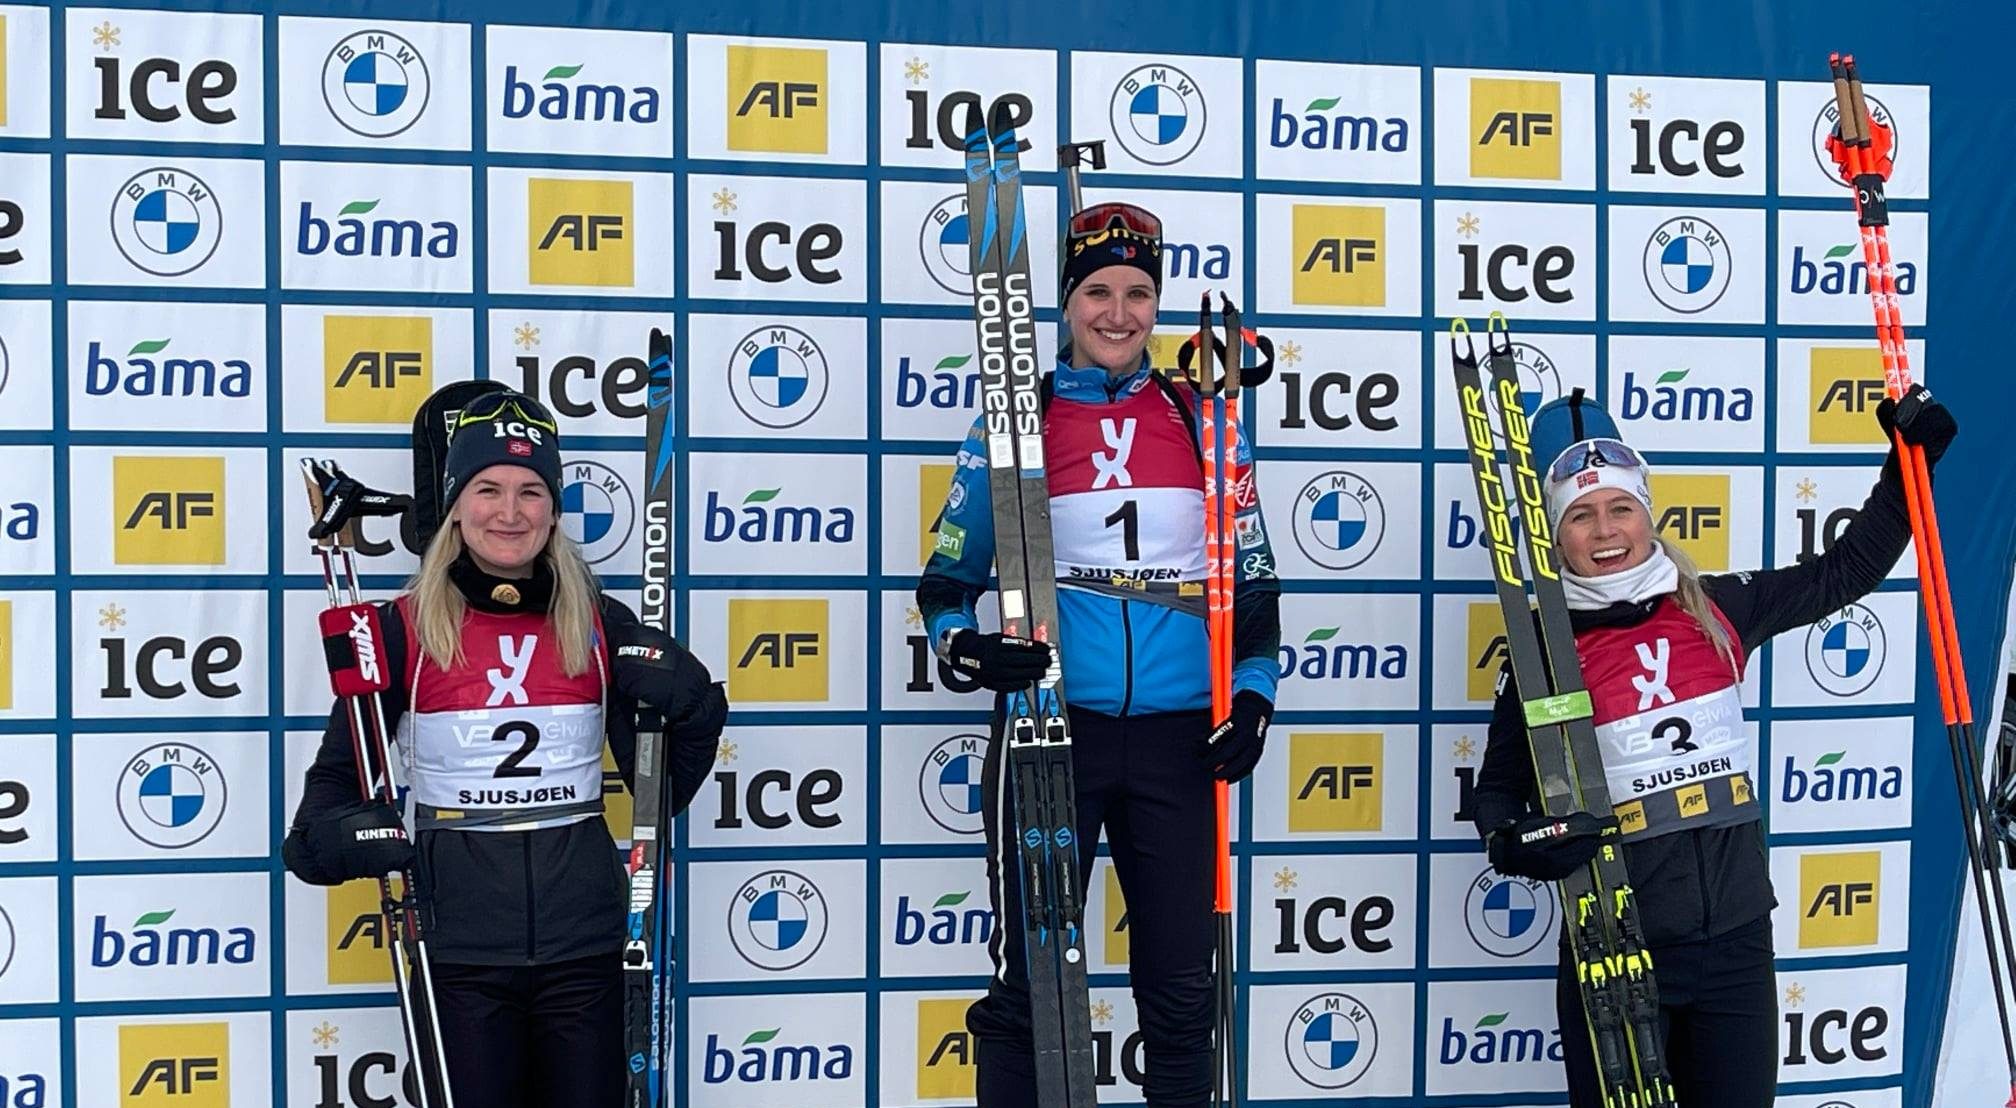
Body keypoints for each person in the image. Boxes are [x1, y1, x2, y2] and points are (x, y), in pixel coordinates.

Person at [1471, 383, 1957, 1107]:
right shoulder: (1546, 650)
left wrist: (1908, 465)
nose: (1605, 531)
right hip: (1617, 949)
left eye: (1620, 508)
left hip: (1735, 944)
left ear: (1646, 512)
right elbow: (1497, 792)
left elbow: (1845, 571)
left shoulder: (1717, 605)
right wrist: (1515, 842)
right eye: (1580, 515)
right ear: (1553, 533)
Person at [917, 201, 1282, 1106]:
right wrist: (966, 647)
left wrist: (1255, 695)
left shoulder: (1205, 423)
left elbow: (1257, 577)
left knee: (1179, 990)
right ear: (1067, 304)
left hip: (1177, 739)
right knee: (1029, 984)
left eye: (1137, 293)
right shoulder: (1016, 424)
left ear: (1157, 306)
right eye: (1097, 293)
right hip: (1050, 732)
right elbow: (946, 581)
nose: (1117, 313)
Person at [281, 389, 725, 1107]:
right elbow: (317, 823)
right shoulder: (401, 631)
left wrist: (698, 710)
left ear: (553, 510)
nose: (510, 512)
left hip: (586, 945)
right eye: (487, 489)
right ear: (456, 504)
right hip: (457, 952)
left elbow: (659, 796)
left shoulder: (598, 623)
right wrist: (343, 837)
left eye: (530, 491)